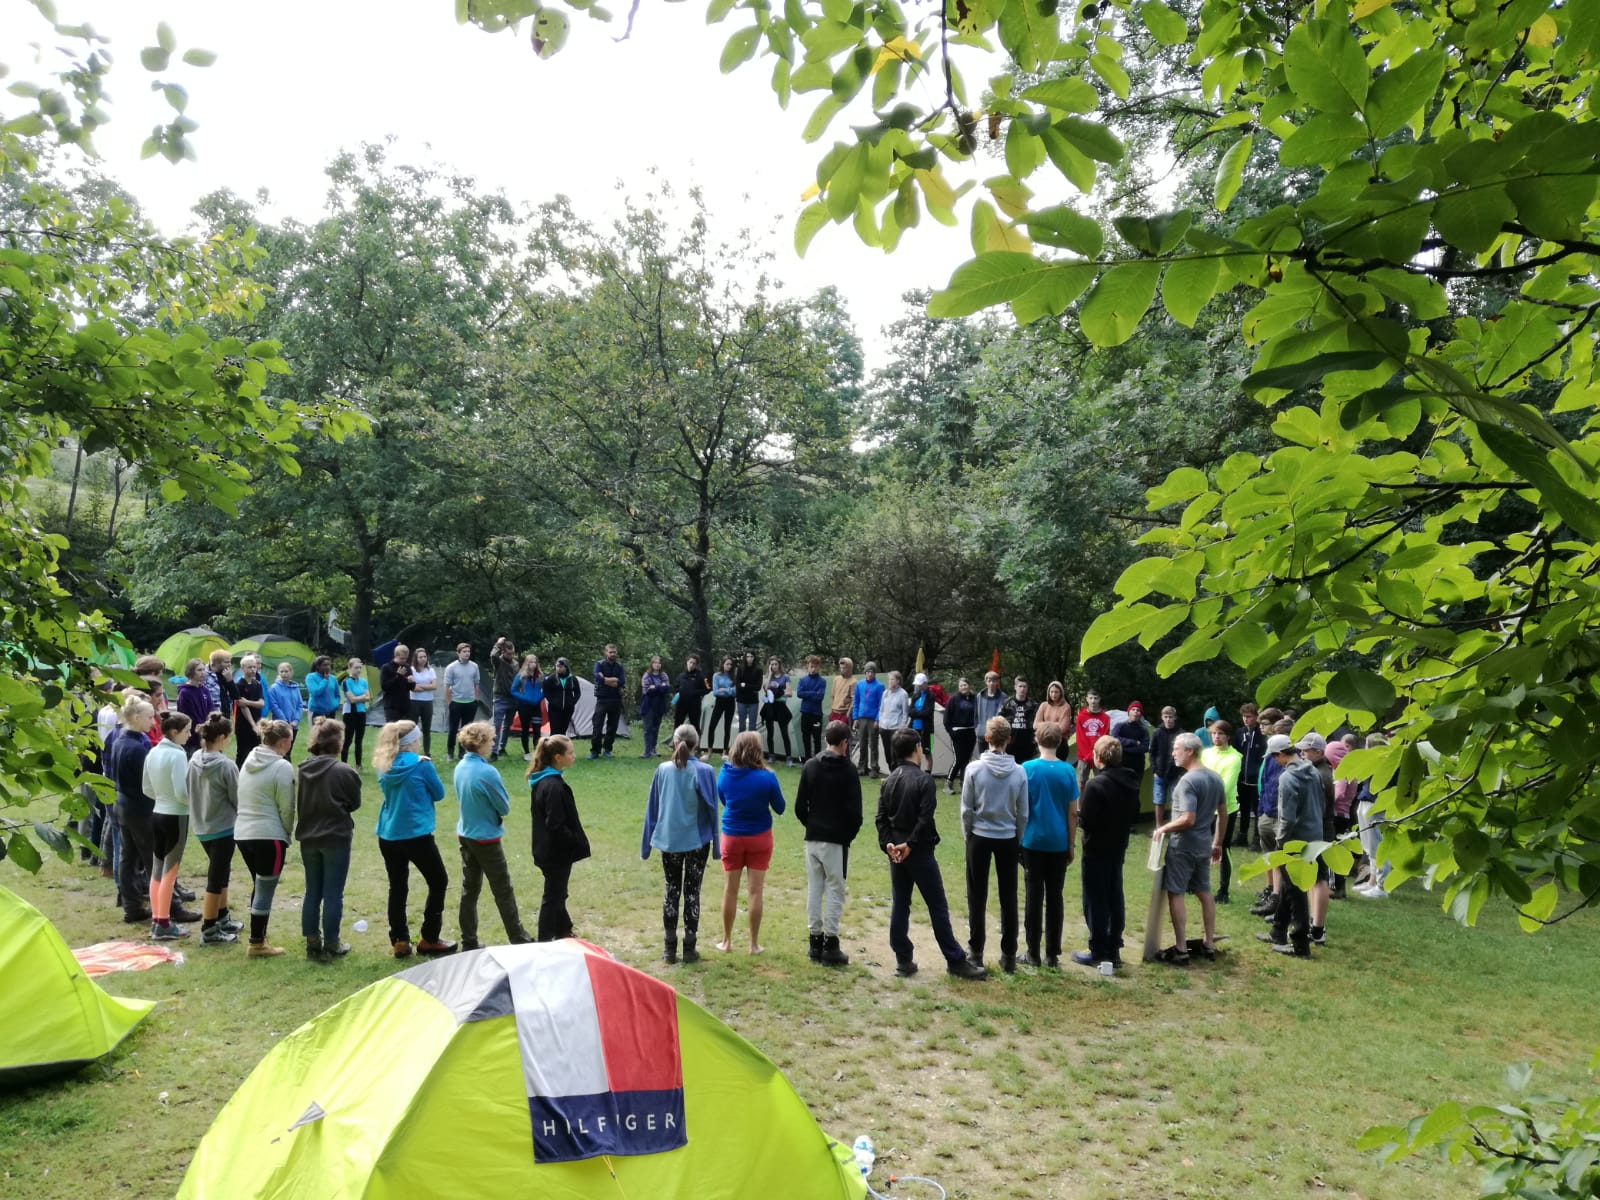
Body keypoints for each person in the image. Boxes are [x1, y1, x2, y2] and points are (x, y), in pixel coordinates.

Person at [878, 728, 988, 980]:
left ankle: (903, 958)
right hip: (918, 852)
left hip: (898, 852)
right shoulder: (924, 781)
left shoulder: (889, 780)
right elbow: (924, 818)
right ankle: (955, 960)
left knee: (900, 903)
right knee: (937, 906)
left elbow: (881, 818)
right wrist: (909, 845)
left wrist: (889, 845)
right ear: (916, 748)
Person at [374, 719, 455, 958]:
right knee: (438, 880)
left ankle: (399, 940)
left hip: (389, 834)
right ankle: (429, 937)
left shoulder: (383, 763)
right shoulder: (422, 765)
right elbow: (439, 793)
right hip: (416, 834)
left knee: (397, 886)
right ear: (412, 742)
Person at [641, 723, 719, 963]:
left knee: (671, 890)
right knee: (692, 892)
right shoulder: (705, 771)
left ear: (674, 743)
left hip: (669, 840)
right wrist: (717, 845)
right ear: (697, 744)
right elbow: (713, 809)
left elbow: (652, 808)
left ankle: (669, 948)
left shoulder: (662, 770)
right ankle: (689, 948)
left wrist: (646, 846)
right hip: (697, 841)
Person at [454, 721, 532, 948]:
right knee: (503, 889)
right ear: (481, 744)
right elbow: (504, 807)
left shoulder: (460, 766)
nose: (493, 743)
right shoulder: (487, 772)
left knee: (469, 889)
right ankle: (518, 937)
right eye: (491, 740)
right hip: (485, 838)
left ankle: (468, 939)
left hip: (466, 833)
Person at [961, 715, 1029, 973]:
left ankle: (975, 951)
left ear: (987, 738)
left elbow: (967, 809)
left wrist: (968, 834)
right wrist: (1018, 837)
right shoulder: (1019, 772)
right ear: (1008, 740)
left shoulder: (974, 769)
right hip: (1007, 837)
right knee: (1008, 896)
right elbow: (1023, 813)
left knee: (976, 896)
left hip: (979, 836)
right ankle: (1009, 954)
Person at [1150, 732, 1225, 965]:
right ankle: (1209, 943)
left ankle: (1181, 949)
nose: (1173, 753)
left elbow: (1188, 818)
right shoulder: (1215, 778)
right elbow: (1223, 814)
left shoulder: (1188, 781)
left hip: (1183, 847)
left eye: (1177, 749)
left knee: (1176, 893)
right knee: (1204, 892)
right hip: (1204, 845)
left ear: (1190, 751)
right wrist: (1217, 843)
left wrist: (1163, 828)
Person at [795, 719, 862, 966]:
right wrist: (846, 836)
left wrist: (812, 825)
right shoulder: (849, 771)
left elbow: (799, 806)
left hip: (813, 837)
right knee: (835, 889)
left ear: (825, 739)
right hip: (836, 839)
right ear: (845, 742)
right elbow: (855, 813)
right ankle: (830, 943)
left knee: (815, 888)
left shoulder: (810, 766)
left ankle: (814, 941)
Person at [714, 731, 785, 954]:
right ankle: (753, 944)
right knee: (755, 892)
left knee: (730, 890)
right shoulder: (767, 777)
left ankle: (726, 941)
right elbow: (780, 807)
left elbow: (723, 799)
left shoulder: (725, 773)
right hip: (759, 838)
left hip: (732, 836)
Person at [296, 718, 361, 961]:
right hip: (336, 838)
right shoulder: (344, 771)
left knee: (312, 891)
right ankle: (332, 942)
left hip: (308, 838)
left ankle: (312, 940)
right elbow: (354, 803)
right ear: (338, 743)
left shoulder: (303, 768)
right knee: (333, 892)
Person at [1073, 735, 1141, 969]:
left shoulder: (1096, 785)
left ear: (1098, 757)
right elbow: (1135, 814)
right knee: (1114, 896)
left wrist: (1078, 816)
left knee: (1095, 899)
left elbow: (1087, 821)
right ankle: (1114, 948)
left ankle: (1098, 950)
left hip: (1096, 848)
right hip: (1118, 846)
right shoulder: (1131, 780)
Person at [235, 719, 298, 958]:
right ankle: (257, 943)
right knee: (264, 890)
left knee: (259, 885)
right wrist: (287, 833)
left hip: (243, 833)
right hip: (268, 835)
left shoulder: (249, 759)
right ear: (283, 742)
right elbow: (287, 807)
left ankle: (258, 936)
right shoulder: (282, 767)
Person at [1258, 734, 1325, 957]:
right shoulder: (1312, 771)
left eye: (1273, 757)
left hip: (1294, 841)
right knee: (1288, 886)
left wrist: (1280, 842)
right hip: (1315, 837)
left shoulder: (1287, 778)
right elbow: (1322, 805)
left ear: (1280, 755)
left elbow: (1287, 818)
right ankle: (1278, 931)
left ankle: (1300, 944)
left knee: (1296, 892)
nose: (1274, 761)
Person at [1020, 720, 1077, 968]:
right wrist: (1071, 844)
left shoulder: (1027, 768)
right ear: (1061, 741)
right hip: (1058, 842)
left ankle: (1032, 952)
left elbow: (1021, 807)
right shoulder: (1068, 771)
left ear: (1037, 740)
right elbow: (1073, 812)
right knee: (1055, 897)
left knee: (1033, 896)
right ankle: (1052, 953)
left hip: (1032, 840)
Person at [186, 712, 244, 945]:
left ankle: (222, 916)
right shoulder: (226, 766)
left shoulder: (193, 759)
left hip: (202, 826)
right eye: (229, 737)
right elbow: (238, 798)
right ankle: (209, 929)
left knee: (222, 872)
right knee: (215, 878)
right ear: (221, 738)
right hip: (223, 829)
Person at [528, 734, 590, 940]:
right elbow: (555, 825)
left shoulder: (543, 780)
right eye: (570, 753)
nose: (574, 756)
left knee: (558, 892)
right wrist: (575, 840)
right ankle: (544, 941)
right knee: (553, 896)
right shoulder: (553, 786)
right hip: (555, 852)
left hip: (544, 848)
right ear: (557, 757)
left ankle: (564, 930)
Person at [144, 712, 199, 939]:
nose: (190, 735)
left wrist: (162, 798)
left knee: (157, 870)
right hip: (175, 816)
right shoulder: (177, 755)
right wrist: (195, 801)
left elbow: (146, 788)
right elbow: (181, 792)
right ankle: (164, 923)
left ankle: (157, 920)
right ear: (174, 732)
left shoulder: (153, 751)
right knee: (170, 871)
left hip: (157, 813)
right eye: (187, 731)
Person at [109, 694, 156, 926]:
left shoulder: (120, 740)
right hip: (139, 809)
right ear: (136, 717)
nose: (153, 722)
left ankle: (132, 907)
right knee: (152, 859)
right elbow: (147, 782)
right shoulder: (136, 748)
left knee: (128, 858)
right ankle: (167, 908)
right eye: (149, 717)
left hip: (124, 805)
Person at [1200, 719, 1243, 903]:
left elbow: (1226, 786)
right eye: (1214, 733)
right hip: (1204, 808)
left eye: (1220, 733)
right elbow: (1198, 776)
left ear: (1228, 736)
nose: (1216, 737)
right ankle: (1196, 882)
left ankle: (1223, 890)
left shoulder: (1234, 758)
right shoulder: (1206, 754)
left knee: (1223, 848)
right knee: (1200, 845)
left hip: (1226, 809)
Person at [1354, 732, 1392, 899]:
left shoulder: (1385, 761)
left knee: (1377, 845)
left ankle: (1381, 886)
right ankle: (1372, 881)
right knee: (1369, 845)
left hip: (1375, 803)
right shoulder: (1373, 760)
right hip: (1367, 801)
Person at [1235, 703, 1267, 849]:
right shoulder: (1240, 733)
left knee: (1257, 809)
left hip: (1257, 780)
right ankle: (1242, 835)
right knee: (1243, 808)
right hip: (1242, 778)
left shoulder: (1262, 734)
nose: (1246, 719)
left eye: (1249, 716)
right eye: (1244, 716)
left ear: (1256, 717)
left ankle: (1257, 838)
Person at [443, 643, 482, 760]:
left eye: (468, 651)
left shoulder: (474, 666)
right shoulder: (451, 667)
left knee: (467, 730)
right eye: (464, 651)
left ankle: (462, 752)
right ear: (458, 653)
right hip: (456, 702)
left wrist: (476, 699)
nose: (467, 654)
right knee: (453, 729)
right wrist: (450, 702)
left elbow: (477, 683)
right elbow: (447, 686)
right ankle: (450, 752)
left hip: (470, 702)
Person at [943, 676, 979, 795]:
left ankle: (964, 784)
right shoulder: (953, 699)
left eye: (965, 685)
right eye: (961, 685)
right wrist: (951, 732)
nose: (963, 687)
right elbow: (946, 719)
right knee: (959, 759)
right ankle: (948, 784)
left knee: (967, 760)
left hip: (970, 732)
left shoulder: (975, 698)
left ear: (969, 686)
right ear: (959, 687)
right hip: (957, 733)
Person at [590, 643, 626, 759]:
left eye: (614, 652)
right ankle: (595, 751)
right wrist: (612, 680)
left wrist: (605, 679)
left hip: (616, 699)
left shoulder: (619, 666)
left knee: (612, 726)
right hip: (602, 699)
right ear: (606, 652)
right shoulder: (599, 664)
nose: (612, 654)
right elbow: (598, 678)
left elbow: (621, 681)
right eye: (610, 652)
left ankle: (607, 749)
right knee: (597, 725)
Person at [850, 661, 885, 777]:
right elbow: (856, 702)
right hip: (861, 718)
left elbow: (881, 705)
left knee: (873, 744)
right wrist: (855, 718)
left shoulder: (879, 686)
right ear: (865, 672)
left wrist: (878, 719)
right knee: (862, 743)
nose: (870, 674)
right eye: (868, 671)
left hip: (873, 719)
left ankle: (874, 768)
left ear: (875, 673)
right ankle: (862, 766)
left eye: (872, 672)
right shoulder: (859, 685)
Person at [1150, 706, 1183, 826]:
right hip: (1159, 773)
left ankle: (1174, 826)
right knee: (1159, 801)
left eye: (1170, 717)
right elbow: (1152, 752)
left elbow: (1184, 753)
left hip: (1175, 773)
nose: (1168, 719)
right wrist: (1154, 770)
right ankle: (1159, 827)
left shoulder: (1181, 733)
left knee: (1176, 801)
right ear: (1162, 717)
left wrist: (1181, 771)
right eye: (1166, 717)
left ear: (1175, 718)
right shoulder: (1157, 732)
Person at [234, 654, 269, 768]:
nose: (253, 669)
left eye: (254, 667)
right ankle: (239, 773)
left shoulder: (257, 684)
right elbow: (243, 707)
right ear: (242, 668)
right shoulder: (239, 685)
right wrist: (253, 724)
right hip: (243, 724)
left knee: (256, 750)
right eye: (249, 667)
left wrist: (248, 702)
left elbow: (261, 703)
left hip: (257, 722)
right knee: (243, 752)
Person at [1073, 690, 1112, 790]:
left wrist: (1096, 754)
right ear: (1087, 699)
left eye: (1095, 698)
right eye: (1090, 698)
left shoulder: (1106, 718)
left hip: (1099, 756)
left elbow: (1104, 738)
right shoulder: (1081, 716)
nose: (1093, 701)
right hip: (1083, 757)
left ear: (1099, 699)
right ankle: (1081, 801)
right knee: (1081, 784)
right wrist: (1088, 756)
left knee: (1101, 784)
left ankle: (1097, 801)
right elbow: (1080, 738)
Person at [511, 653, 546, 760]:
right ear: (527, 663)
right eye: (531, 662)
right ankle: (526, 752)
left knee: (537, 730)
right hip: (524, 706)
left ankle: (536, 751)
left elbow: (546, 689)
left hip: (536, 707)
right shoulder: (521, 676)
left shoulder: (540, 675)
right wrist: (524, 698)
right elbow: (513, 691)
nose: (533, 664)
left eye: (535, 662)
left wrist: (540, 697)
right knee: (525, 729)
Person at [175, 660, 214, 755]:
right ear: (191, 672)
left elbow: (211, 709)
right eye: (199, 670)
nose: (202, 673)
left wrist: (209, 722)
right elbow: (186, 714)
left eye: (204, 670)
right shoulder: (185, 692)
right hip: (191, 735)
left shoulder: (204, 689)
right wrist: (200, 726)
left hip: (206, 733)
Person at [266, 662, 303, 759]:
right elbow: (274, 706)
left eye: (286, 671)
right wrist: (285, 721)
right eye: (281, 671)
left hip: (293, 725)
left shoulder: (295, 688)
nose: (284, 674)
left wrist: (296, 720)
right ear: (278, 673)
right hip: (280, 726)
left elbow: (300, 705)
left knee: (288, 751)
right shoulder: (274, 688)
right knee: (279, 751)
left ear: (291, 672)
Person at [489, 636, 519, 760]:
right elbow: (493, 655)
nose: (511, 656)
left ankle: (502, 747)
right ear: (503, 652)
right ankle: (494, 751)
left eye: (512, 653)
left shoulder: (516, 664)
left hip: (513, 698)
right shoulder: (498, 661)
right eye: (508, 653)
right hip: (500, 697)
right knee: (497, 724)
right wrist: (498, 643)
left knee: (508, 725)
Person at [761, 656, 795, 765]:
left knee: (784, 732)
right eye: (772, 664)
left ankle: (789, 757)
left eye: (776, 664)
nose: (774, 666)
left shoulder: (785, 677)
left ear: (779, 665)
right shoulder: (767, 677)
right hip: (769, 706)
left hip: (780, 706)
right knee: (770, 732)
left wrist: (778, 694)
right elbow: (765, 689)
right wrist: (770, 675)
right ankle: (771, 755)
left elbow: (789, 693)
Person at [338, 656, 370, 767]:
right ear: (350, 668)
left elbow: (368, 697)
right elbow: (351, 699)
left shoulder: (363, 681)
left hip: (361, 712)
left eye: (360, 668)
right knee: (348, 740)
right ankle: (343, 764)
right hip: (350, 714)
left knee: (359, 740)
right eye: (356, 667)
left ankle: (358, 764)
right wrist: (362, 698)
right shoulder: (346, 682)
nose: (359, 670)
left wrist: (358, 698)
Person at [640, 655, 673, 759]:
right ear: (651, 664)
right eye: (655, 663)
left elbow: (666, 688)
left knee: (655, 728)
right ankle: (647, 751)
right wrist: (660, 687)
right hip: (648, 705)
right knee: (648, 728)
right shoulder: (647, 675)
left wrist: (655, 687)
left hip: (659, 705)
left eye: (659, 663)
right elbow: (647, 690)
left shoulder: (664, 675)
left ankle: (653, 749)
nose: (657, 665)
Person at [1000, 676, 1039, 764]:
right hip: (1010, 743)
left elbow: (1037, 724)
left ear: (1027, 688)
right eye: (1020, 686)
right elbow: (1000, 721)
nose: (1022, 689)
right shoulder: (1007, 703)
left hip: (1027, 744)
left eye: (1024, 686)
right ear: (1015, 687)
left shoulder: (1033, 705)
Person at [796, 655, 828, 761]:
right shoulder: (802, 680)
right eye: (811, 667)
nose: (813, 669)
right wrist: (813, 693)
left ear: (819, 667)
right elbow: (799, 693)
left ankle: (817, 761)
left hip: (816, 714)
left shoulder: (822, 681)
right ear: (808, 667)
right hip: (805, 713)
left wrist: (807, 694)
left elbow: (820, 697)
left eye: (815, 667)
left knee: (817, 738)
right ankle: (807, 760)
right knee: (806, 737)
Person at [877, 670, 910, 772]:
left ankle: (897, 773)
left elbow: (905, 713)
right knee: (887, 753)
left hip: (896, 728)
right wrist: (881, 722)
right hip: (884, 727)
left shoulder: (903, 694)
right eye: (889, 679)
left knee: (894, 753)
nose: (890, 681)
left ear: (898, 681)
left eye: (892, 679)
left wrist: (902, 727)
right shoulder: (885, 693)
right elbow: (881, 709)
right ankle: (892, 773)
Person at [409, 648, 438, 757]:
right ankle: (412, 751)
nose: (423, 659)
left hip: (427, 702)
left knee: (426, 729)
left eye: (424, 656)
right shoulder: (411, 670)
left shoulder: (431, 670)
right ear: (416, 658)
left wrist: (419, 685)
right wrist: (426, 686)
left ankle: (427, 752)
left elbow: (434, 686)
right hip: (414, 701)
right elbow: (413, 688)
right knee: (413, 728)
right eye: (420, 657)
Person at [1112, 701, 1150, 781]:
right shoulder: (1119, 726)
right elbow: (1115, 739)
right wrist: (1134, 742)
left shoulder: (1143, 730)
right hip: (1121, 763)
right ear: (1129, 712)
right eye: (1133, 709)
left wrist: (1123, 748)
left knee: (1135, 787)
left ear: (1140, 714)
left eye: (1138, 710)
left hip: (1137, 765)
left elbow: (1145, 747)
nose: (1135, 712)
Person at [544, 657, 580, 737]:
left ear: (566, 667)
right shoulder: (552, 678)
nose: (558, 668)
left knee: (563, 730)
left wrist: (572, 702)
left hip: (568, 709)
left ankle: (561, 744)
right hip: (554, 709)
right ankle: (553, 744)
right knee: (554, 730)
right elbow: (546, 691)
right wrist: (553, 702)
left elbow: (577, 693)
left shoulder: (572, 679)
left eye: (560, 666)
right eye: (557, 666)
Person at [380, 644, 414, 726]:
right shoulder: (386, 667)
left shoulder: (407, 667)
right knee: (393, 731)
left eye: (406, 658)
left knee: (406, 732)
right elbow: (384, 686)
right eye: (402, 658)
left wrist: (412, 682)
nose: (404, 660)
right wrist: (398, 676)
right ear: (395, 656)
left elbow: (412, 688)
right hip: (392, 707)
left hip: (405, 706)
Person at [673, 654, 709, 735]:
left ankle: (696, 742)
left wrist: (695, 692)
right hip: (681, 704)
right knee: (677, 725)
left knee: (695, 726)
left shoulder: (701, 676)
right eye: (690, 662)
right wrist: (679, 692)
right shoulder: (681, 675)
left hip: (694, 705)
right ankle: (676, 741)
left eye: (694, 663)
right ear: (687, 662)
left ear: (696, 665)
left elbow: (708, 688)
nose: (691, 665)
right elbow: (675, 687)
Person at [708, 657, 737, 753]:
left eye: (731, 664)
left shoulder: (733, 677)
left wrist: (724, 689)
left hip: (730, 702)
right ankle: (709, 751)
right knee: (712, 725)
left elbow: (735, 692)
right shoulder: (716, 676)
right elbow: (715, 692)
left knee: (727, 727)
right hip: (719, 702)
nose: (729, 666)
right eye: (727, 664)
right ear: (723, 664)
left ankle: (725, 751)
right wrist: (730, 690)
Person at [908, 673, 937, 769]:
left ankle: (928, 773)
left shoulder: (931, 696)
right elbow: (910, 712)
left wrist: (916, 712)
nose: (918, 686)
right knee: (915, 752)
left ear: (925, 683)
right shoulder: (915, 695)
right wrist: (920, 712)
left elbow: (928, 712)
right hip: (914, 728)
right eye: (917, 684)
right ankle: (916, 770)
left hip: (927, 729)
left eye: (920, 684)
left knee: (927, 752)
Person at [306, 655, 341, 731]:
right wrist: (325, 680)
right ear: (318, 666)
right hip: (317, 712)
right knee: (317, 735)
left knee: (330, 735)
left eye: (329, 665)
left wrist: (334, 705)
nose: (328, 667)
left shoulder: (333, 678)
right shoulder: (311, 677)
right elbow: (315, 692)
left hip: (331, 713)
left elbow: (337, 695)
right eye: (325, 665)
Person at [205, 648, 238, 726]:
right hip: (212, 716)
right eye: (226, 662)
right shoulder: (204, 675)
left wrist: (230, 681)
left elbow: (236, 696)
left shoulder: (226, 674)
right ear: (216, 663)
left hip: (226, 714)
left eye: (230, 662)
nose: (230, 664)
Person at [733, 650, 763, 736]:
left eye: (751, 657)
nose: (749, 658)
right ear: (745, 658)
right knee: (742, 725)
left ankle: (751, 743)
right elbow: (737, 684)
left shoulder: (758, 670)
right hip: (741, 700)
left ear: (754, 658)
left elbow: (758, 687)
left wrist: (745, 685)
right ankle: (741, 743)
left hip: (753, 701)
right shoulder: (740, 669)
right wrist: (749, 687)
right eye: (748, 656)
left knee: (752, 726)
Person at [827, 656, 855, 729]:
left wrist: (848, 714)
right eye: (841, 668)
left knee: (843, 734)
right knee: (832, 733)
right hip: (834, 713)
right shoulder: (836, 679)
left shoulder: (853, 681)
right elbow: (832, 696)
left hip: (844, 714)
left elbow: (853, 700)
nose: (842, 670)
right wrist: (831, 711)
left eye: (844, 668)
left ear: (849, 668)